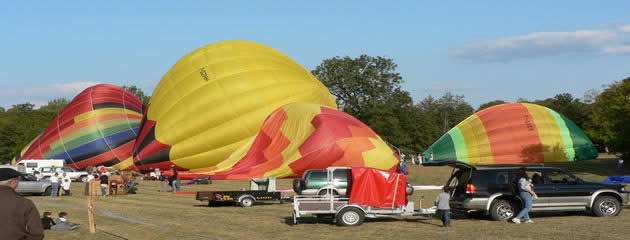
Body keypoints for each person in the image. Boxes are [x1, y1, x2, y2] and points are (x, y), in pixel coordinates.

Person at [0, 168, 45, 239]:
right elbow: (36, 233)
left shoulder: (24, 202)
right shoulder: (24, 203)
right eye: (18, 180)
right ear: (13, 183)